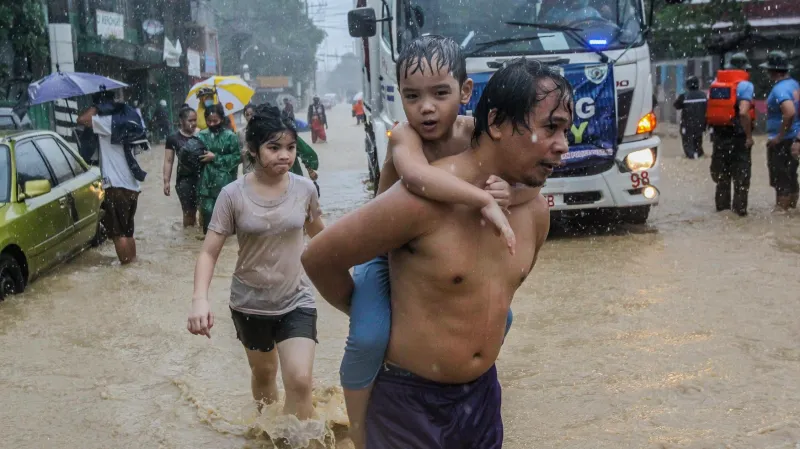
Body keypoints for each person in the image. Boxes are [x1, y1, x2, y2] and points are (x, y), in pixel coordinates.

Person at [306, 49, 568, 448]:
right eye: (550, 128)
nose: (563, 146)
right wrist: (372, 315)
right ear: (496, 123)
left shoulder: (534, 211)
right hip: (408, 407)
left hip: (482, 400)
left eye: (565, 131)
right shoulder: (420, 199)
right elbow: (318, 257)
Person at [188, 103, 325, 419]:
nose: (285, 156)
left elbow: (321, 235)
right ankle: (267, 433)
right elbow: (209, 252)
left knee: (301, 381)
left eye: (290, 147)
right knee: (265, 376)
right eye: (274, 147)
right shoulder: (232, 195)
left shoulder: (305, 189)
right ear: (252, 149)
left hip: (297, 299)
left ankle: (298, 441)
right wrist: (199, 300)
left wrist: (355, 269)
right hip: (250, 304)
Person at [77, 90, 143, 264]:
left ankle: (126, 270)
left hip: (115, 186)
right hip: (132, 186)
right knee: (128, 232)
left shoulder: (107, 122)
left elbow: (82, 120)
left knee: (117, 234)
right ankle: (133, 264)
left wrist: (96, 107)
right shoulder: (125, 121)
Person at [708, 52, 755, 216]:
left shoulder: (715, 83)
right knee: (741, 179)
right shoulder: (745, 85)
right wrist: (749, 136)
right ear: (744, 68)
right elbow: (743, 112)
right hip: (738, 137)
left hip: (720, 137)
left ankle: (722, 212)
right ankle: (739, 214)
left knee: (722, 179)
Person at [761, 50, 800, 210]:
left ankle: (781, 216)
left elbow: (789, 112)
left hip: (783, 142)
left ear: (773, 70)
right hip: (794, 139)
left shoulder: (780, 89)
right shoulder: (794, 85)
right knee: (791, 179)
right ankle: (790, 214)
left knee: (781, 181)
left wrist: (779, 136)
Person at [196, 104, 241, 234]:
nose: (212, 124)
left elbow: (237, 158)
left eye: (215, 121)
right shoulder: (201, 136)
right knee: (207, 213)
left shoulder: (230, 136)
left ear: (221, 119)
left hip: (225, 181)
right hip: (206, 182)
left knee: (226, 216)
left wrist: (215, 158)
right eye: (209, 121)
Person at [163, 106, 205, 227]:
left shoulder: (202, 135)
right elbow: (168, 161)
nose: (193, 123)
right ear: (181, 121)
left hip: (202, 178)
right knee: (188, 213)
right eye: (190, 120)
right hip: (184, 180)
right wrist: (166, 181)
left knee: (204, 211)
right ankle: (189, 240)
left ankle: (201, 239)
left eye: (195, 120)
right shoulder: (173, 138)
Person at [673, 76, 707, 159]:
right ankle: (698, 154)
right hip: (700, 123)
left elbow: (676, 106)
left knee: (687, 141)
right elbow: (707, 108)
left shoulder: (684, 96)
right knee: (698, 140)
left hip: (687, 124)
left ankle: (691, 155)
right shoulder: (703, 95)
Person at [239, 103, 257, 174]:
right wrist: (243, 152)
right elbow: (238, 154)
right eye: (247, 115)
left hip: (260, 169)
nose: (249, 117)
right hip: (247, 170)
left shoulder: (262, 130)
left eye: (252, 114)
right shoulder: (241, 133)